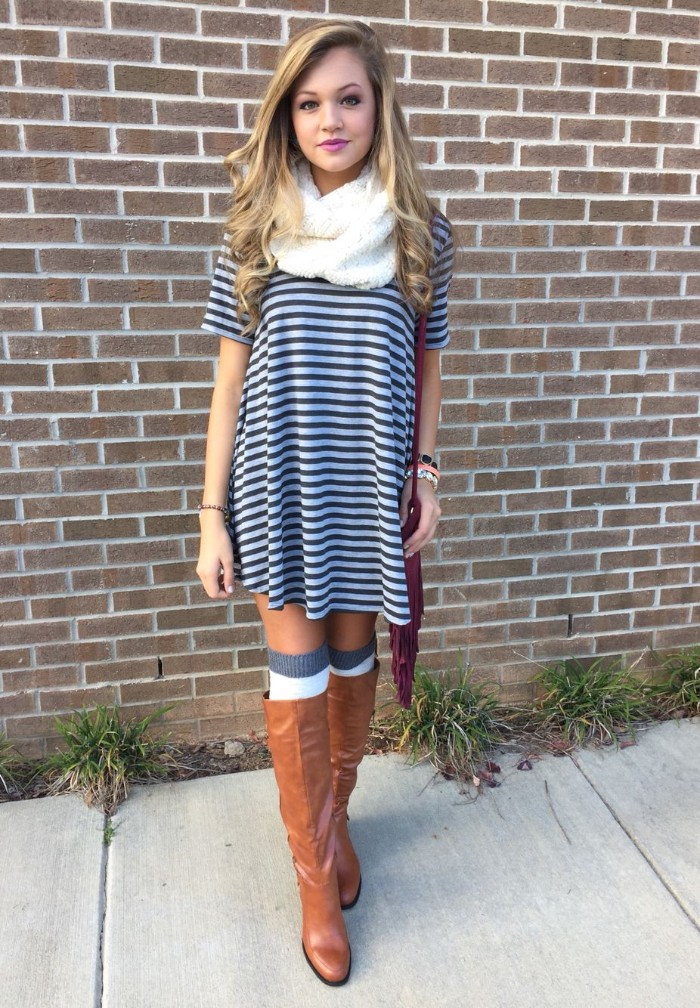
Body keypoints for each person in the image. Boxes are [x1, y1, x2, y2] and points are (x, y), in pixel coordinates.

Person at [196, 19, 453, 986]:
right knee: (297, 686)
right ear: (286, 118)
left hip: (370, 494)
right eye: (308, 103)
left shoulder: (422, 233)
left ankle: (335, 820)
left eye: (347, 97)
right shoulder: (256, 231)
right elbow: (228, 386)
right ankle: (314, 880)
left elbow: (428, 375)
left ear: (378, 105)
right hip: (280, 494)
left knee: (352, 678)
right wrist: (210, 514)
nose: (329, 118)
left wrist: (425, 474)